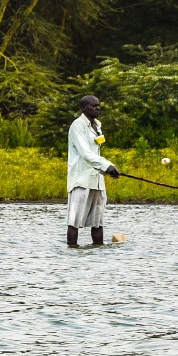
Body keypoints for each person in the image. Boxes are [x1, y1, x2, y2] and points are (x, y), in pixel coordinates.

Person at [66, 93, 121, 247]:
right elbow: (85, 153)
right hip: (81, 180)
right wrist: (107, 166)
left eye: (99, 105)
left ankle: (98, 251)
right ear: (83, 108)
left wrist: (108, 170)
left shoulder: (98, 125)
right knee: (74, 221)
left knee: (98, 221)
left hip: (97, 179)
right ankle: (72, 250)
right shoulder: (77, 125)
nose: (97, 108)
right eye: (93, 105)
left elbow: (95, 152)